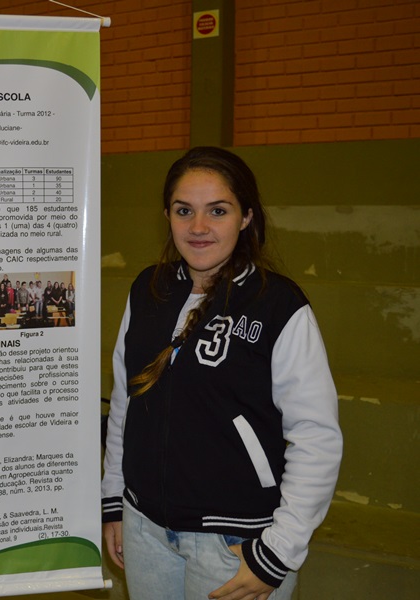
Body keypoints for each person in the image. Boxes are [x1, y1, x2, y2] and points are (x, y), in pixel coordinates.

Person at [101, 147, 342, 600]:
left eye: (217, 210)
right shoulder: (146, 290)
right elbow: (124, 403)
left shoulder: (278, 305)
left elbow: (316, 437)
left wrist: (279, 551)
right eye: (184, 210)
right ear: (167, 216)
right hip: (143, 527)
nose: (198, 227)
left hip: (236, 542)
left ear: (246, 216)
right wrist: (114, 501)